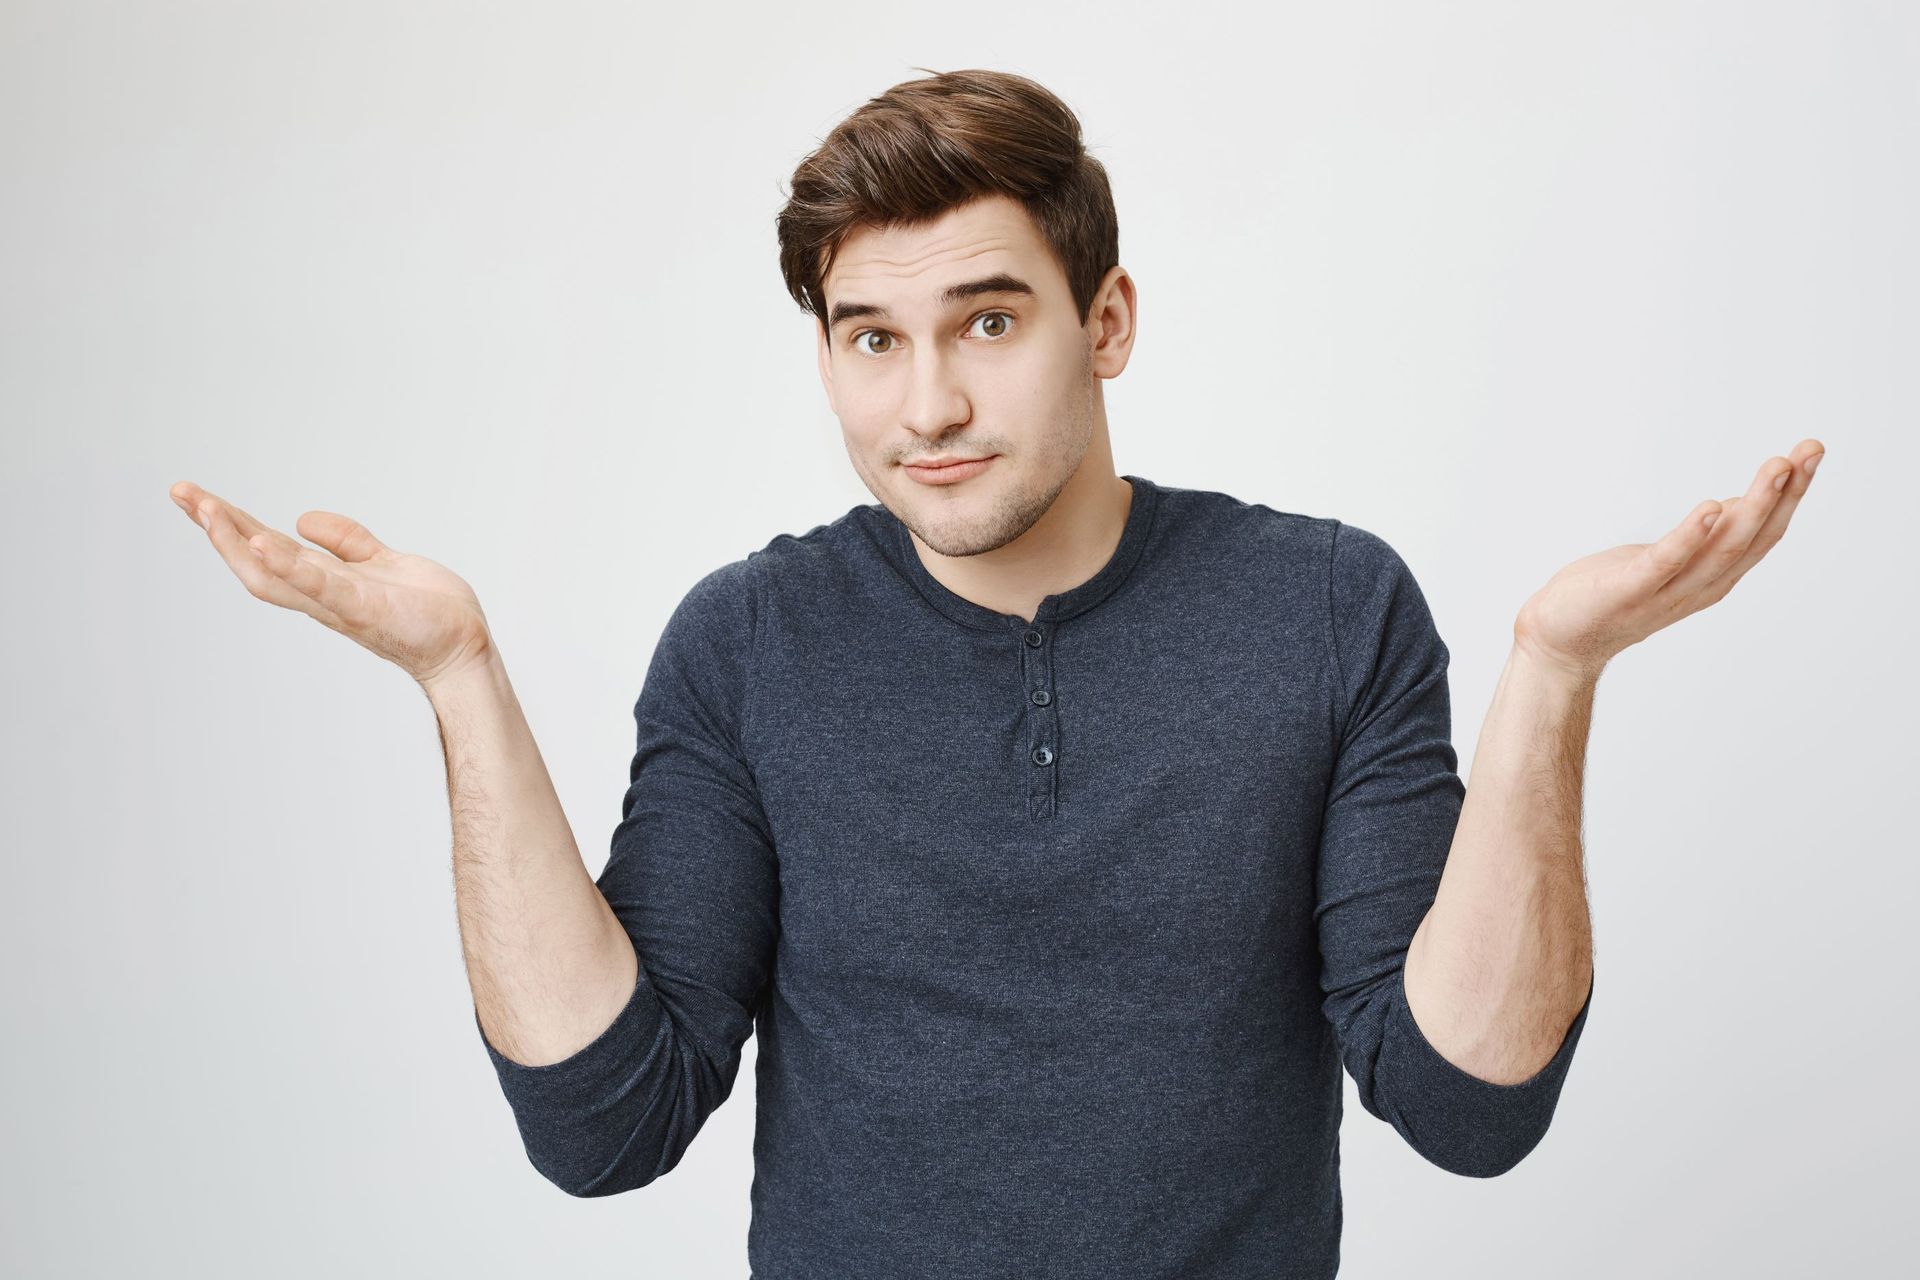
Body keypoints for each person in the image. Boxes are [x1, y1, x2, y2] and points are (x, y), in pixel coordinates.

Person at [169, 67, 1823, 1280]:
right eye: (871, 338)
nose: (929, 408)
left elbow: (1468, 1106)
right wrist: (460, 677)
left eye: (987, 322)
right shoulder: (748, 643)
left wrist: (1554, 672)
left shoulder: (1328, 606)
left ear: (1103, 321)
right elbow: (610, 1127)